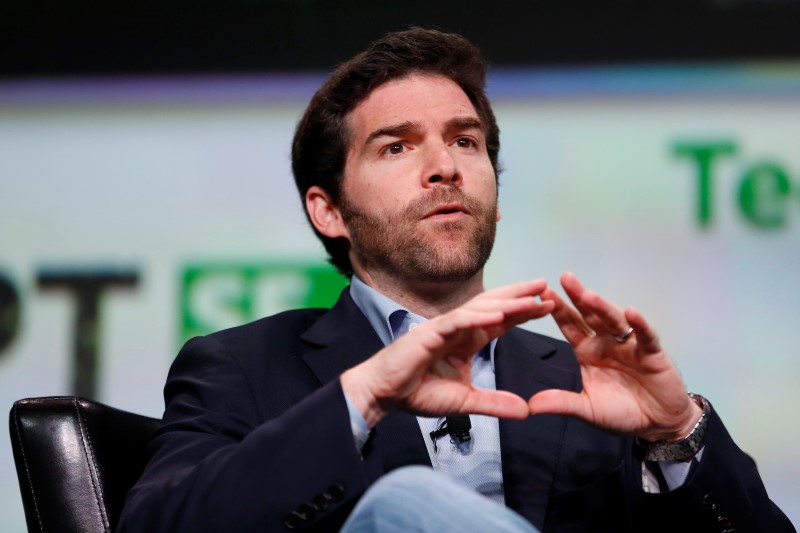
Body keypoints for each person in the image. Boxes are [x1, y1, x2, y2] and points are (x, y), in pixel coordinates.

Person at [119, 28, 794, 532]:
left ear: (495, 197)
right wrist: (365, 393)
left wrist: (675, 430)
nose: (444, 165)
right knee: (402, 505)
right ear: (329, 211)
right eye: (398, 146)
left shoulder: (584, 384)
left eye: (466, 141)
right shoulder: (245, 367)